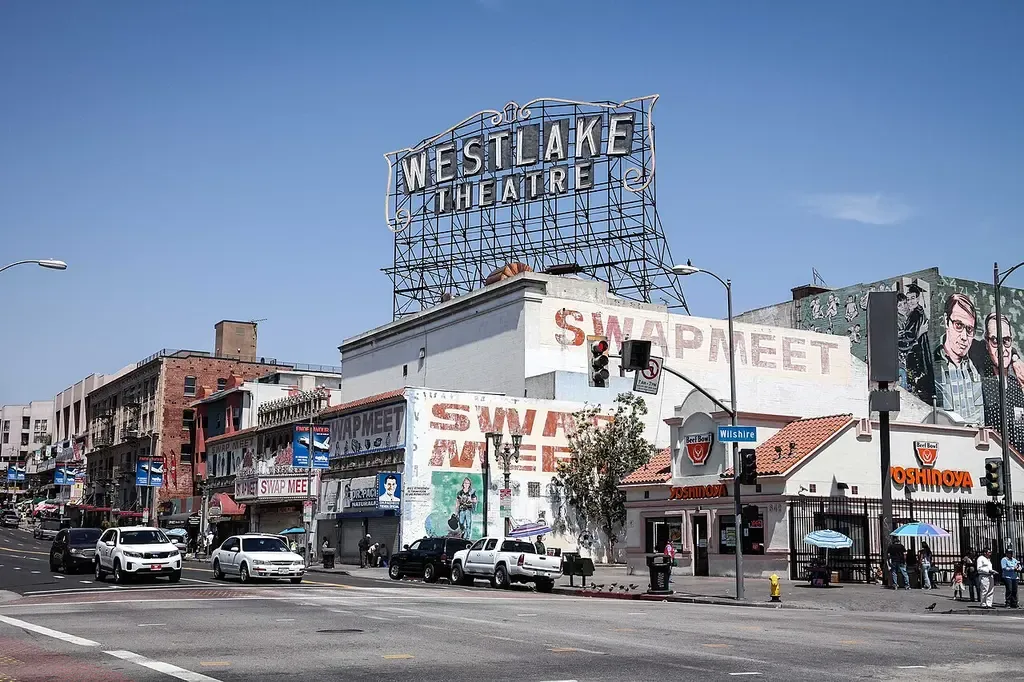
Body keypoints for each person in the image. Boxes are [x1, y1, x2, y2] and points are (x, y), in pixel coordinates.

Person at [933, 293, 984, 424]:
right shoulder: (931, 360)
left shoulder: (977, 361)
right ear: (946, 321)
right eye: (958, 325)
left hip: (975, 439)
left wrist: (1015, 356)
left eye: (969, 329)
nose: (964, 336)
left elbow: (999, 345)